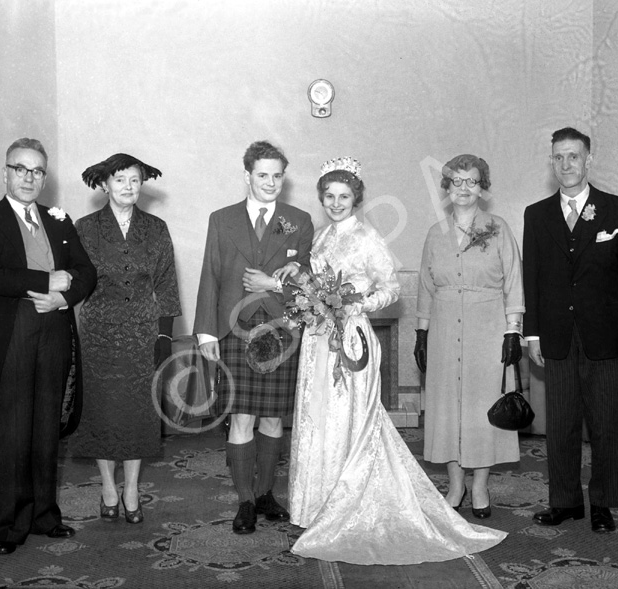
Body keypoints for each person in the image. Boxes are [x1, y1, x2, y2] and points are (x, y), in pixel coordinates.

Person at [287, 157, 506, 565]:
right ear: (322, 198)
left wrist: (355, 306)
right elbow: (310, 283)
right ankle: (317, 503)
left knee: (350, 417)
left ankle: (351, 500)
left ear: (357, 198)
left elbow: (391, 289)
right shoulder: (318, 237)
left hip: (351, 340)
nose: (337, 203)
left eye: (345, 196)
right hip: (318, 339)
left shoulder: (367, 237)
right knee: (319, 417)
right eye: (330, 196)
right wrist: (311, 301)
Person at [0, 138, 97, 555]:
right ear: (5, 172)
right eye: (21, 168)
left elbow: (87, 272)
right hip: (13, 336)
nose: (29, 177)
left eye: (37, 171)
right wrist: (46, 281)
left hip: (55, 330)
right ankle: (7, 528)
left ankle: (44, 516)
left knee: (45, 429)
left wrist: (63, 297)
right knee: (13, 432)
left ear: (44, 178)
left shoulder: (58, 221)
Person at [523, 127, 618, 533]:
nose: (566, 165)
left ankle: (602, 504)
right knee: (560, 424)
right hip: (557, 337)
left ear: (588, 160)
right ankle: (564, 501)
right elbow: (533, 279)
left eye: (573, 156)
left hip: (608, 336)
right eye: (558, 158)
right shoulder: (536, 214)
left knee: (606, 423)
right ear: (552, 162)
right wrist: (533, 334)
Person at [194, 141, 313, 534]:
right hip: (234, 331)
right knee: (242, 418)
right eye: (263, 174)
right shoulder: (222, 219)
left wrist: (271, 286)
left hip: (281, 333)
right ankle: (245, 500)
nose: (271, 182)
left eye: (277, 175)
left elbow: (309, 286)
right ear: (247, 176)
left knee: (274, 419)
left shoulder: (298, 220)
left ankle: (265, 494)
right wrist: (206, 331)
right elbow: (210, 275)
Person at [69, 154, 181, 524]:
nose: (128, 187)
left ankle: (131, 488)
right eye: (120, 180)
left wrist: (164, 335)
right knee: (101, 411)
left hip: (142, 332)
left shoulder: (156, 228)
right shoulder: (84, 228)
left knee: (137, 414)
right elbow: (74, 281)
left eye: (135, 180)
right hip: (98, 331)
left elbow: (166, 283)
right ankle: (106, 486)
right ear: (104, 184)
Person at [415, 154, 524, 519]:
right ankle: (455, 484)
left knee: (481, 410)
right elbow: (425, 287)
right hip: (444, 330)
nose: (464, 188)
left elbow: (513, 283)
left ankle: (479, 486)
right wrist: (421, 333)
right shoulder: (435, 233)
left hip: (487, 330)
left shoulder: (498, 228)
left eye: (472, 181)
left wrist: (513, 331)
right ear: (446, 188)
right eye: (456, 182)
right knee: (447, 408)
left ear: (483, 187)